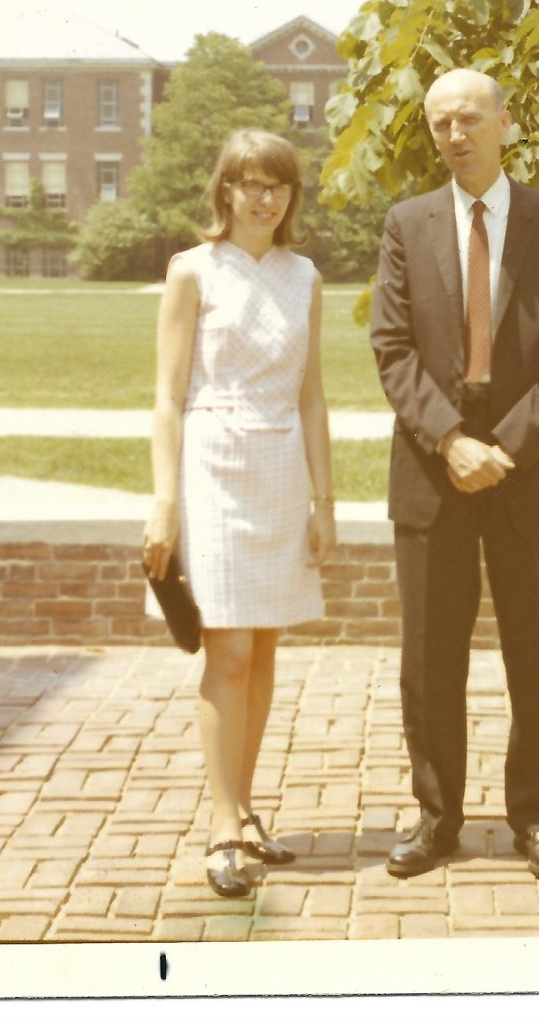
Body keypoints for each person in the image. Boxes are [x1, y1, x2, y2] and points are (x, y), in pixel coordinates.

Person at [368, 68, 539, 881]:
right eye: (440, 123)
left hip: (527, 469)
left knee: (534, 652)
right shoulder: (406, 224)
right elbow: (391, 349)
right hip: (433, 474)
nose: (456, 134)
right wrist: (449, 441)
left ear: (507, 121)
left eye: (470, 117)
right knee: (429, 656)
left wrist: (504, 444)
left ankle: (538, 818)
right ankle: (437, 816)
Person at [142, 130, 335, 898]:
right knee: (225, 652)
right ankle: (222, 822)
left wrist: (327, 502)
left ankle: (247, 809)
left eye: (278, 186)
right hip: (213, 467)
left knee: (262, 652)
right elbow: (166, 395)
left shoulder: (306, 276)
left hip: (281, 469)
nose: (264, 199)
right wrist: (164, 504)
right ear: (224, 190)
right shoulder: (192, 271)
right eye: (249, 184)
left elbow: (312, 394)